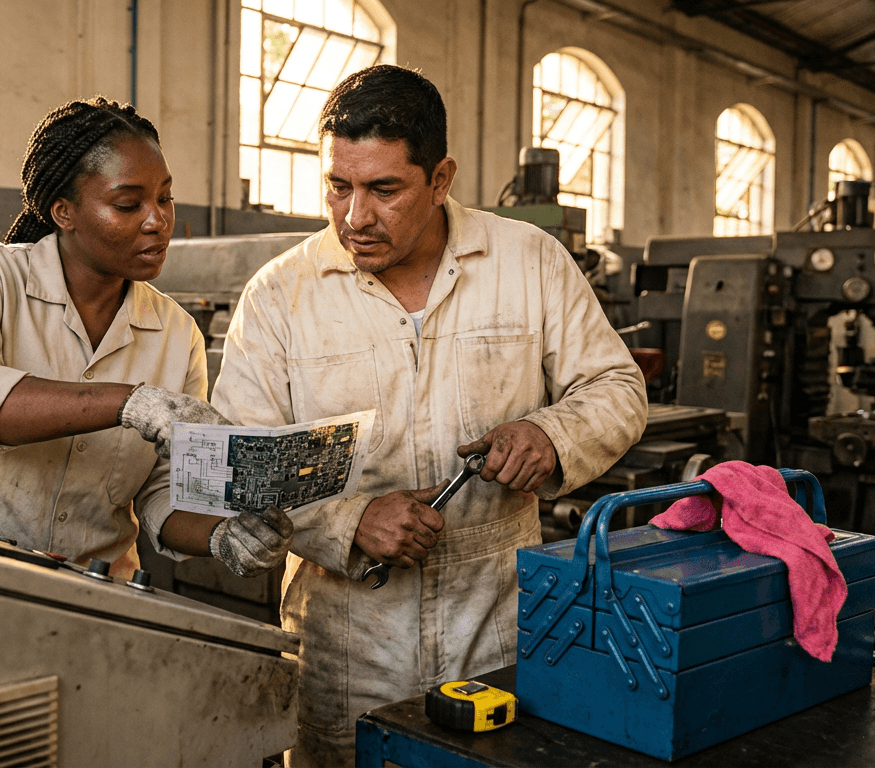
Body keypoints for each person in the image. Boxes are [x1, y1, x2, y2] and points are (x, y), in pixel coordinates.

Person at [211, 66, 648, 765]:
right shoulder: (280, 297)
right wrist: (350, 521)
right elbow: (245, 465)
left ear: (440, 179)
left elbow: (616, 386)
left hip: (498, 625)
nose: (355, 216)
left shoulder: (527, 261)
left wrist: (550, 433)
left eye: (384, 190)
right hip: (343, 642)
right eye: (338, 186)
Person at [0, 97, 292, 581]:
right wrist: (129, 403)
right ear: (64, 212)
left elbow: (162, 492)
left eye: (165, 198)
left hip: (93, 595)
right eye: (127, 204)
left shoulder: (175, 334)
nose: (157, 220)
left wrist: (220, 535)